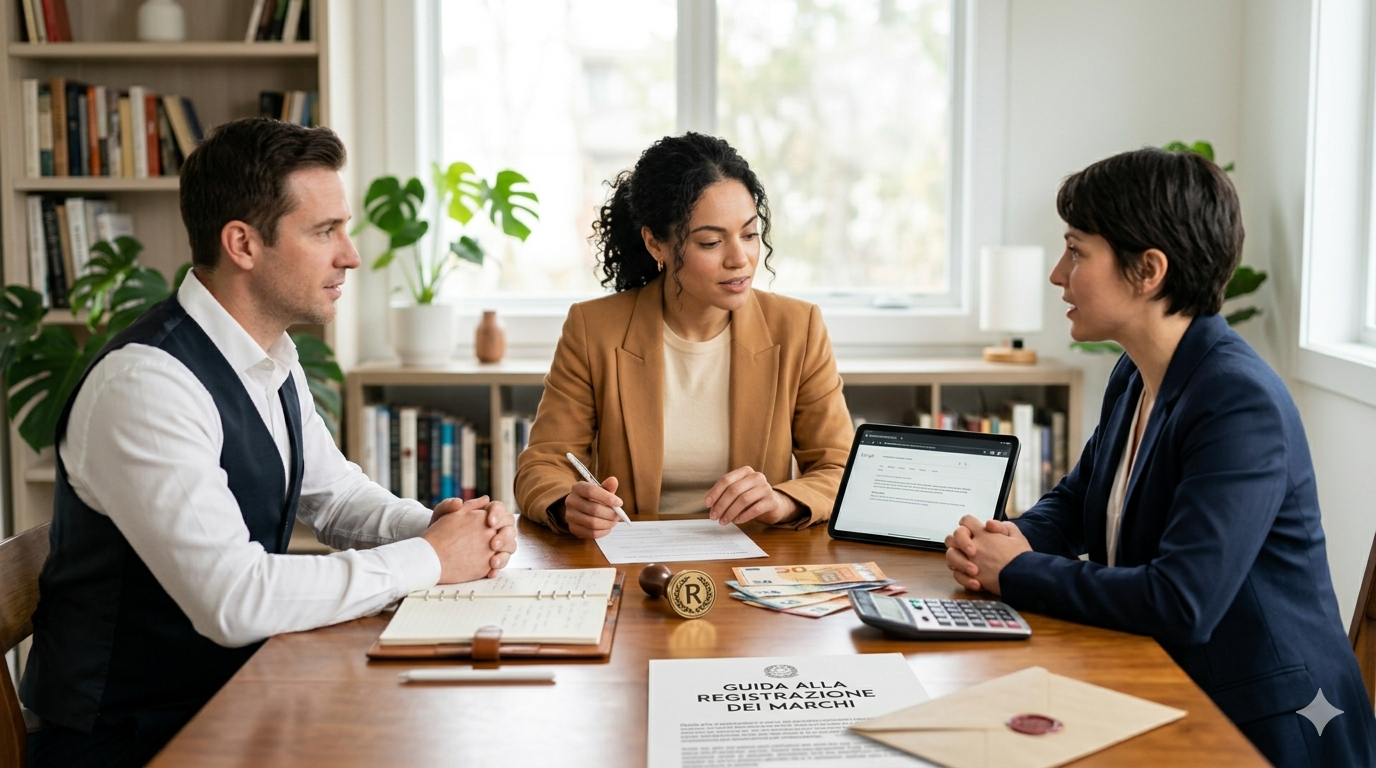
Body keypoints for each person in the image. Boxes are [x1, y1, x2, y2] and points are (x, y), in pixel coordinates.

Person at [20, 118, 518, 768]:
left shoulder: (269, 357)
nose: (352, 254)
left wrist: (440, 527)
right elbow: (236, 600)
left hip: (233, 701)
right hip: (135, 740)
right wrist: (428, 557)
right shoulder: (145, 386)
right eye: (324, 231)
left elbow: (336, 500)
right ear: (243, 244)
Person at [944, 148, 1376, 766]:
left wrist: (1015, 570)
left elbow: (1183, 602)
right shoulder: (1135, 372)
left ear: (1148, 270)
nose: (1058, 275)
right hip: (1171, 682)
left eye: (1077, 250)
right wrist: (1005, 537)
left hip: (1268, 723)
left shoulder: (1236, 401)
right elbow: (1078, 499)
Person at [514, 133, 854, 539]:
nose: (740, 258)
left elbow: (840, 468)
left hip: (754, 562)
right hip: (637, 561)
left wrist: (783, 501)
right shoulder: (594, 329)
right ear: (656, 243)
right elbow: (542, 464)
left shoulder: (798, 327)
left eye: (749, 234)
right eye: (711, 241)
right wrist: (568, 503)